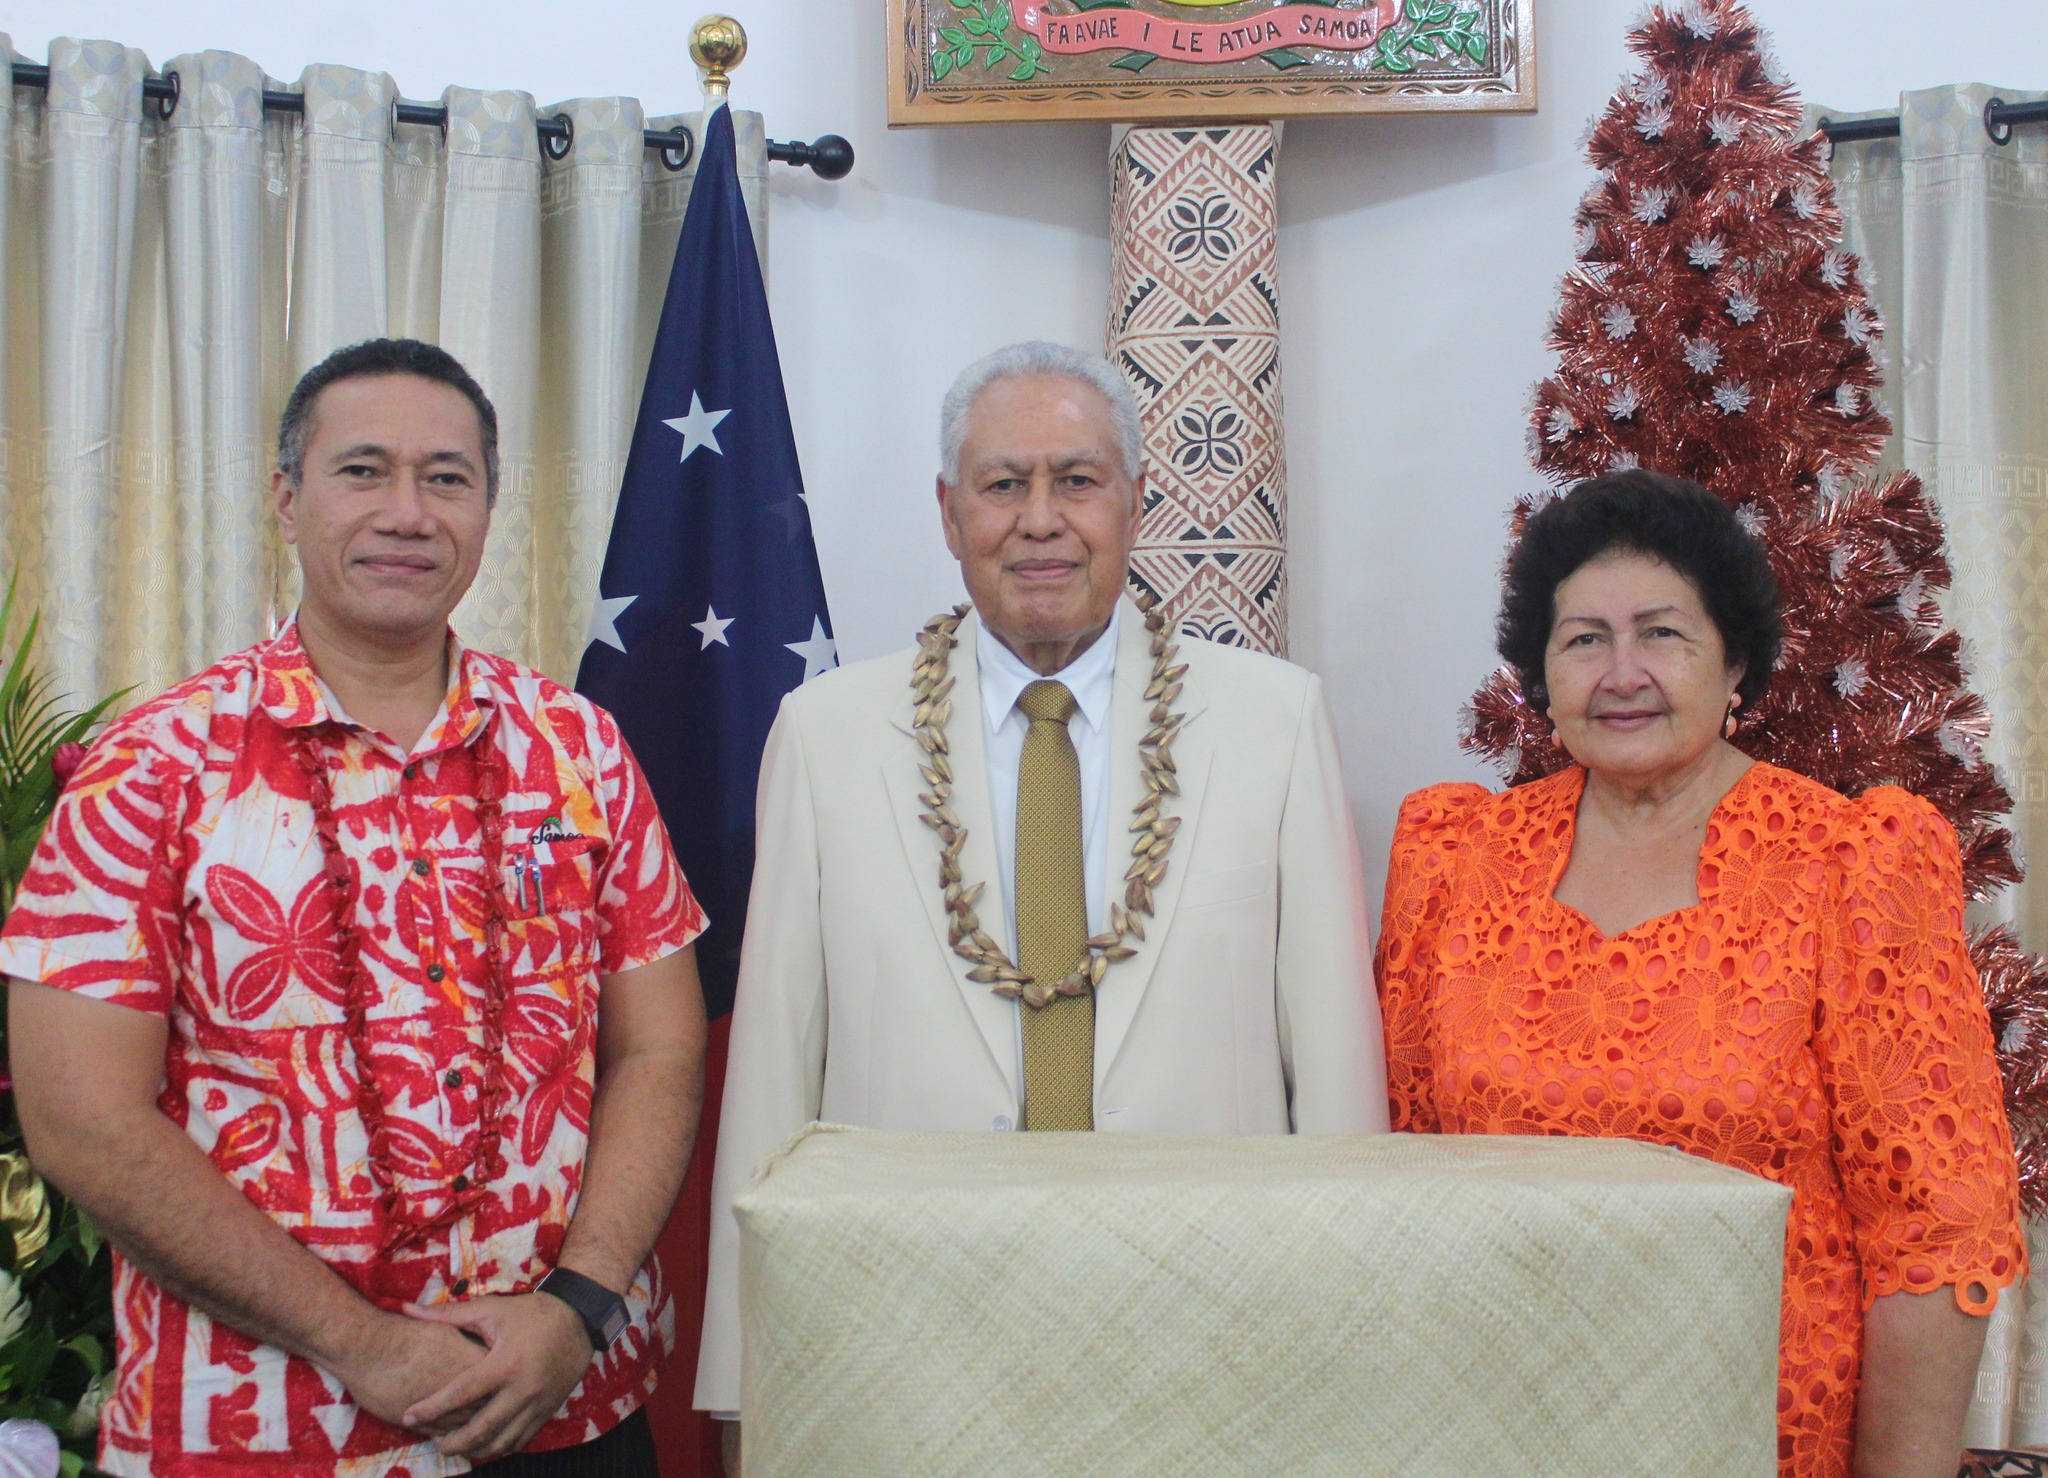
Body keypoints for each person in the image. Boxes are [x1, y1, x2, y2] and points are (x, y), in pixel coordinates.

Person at [2, 338, 709, 1477]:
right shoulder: (155, 765)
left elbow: (661, 1044)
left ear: (486, 508)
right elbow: (81, 1113)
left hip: (558, 1405)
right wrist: (358, 1343)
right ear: (286, 497)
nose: (407, 511)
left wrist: (575, 1305)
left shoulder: (577, 749)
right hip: (260, 1425)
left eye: (446, 477)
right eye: (362, 469)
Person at [696, 341, 1388, 1460]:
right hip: (903, 1346)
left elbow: (1335, 1072)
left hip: (1213, 1340)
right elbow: (773, 1072)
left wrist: (1352, 1346)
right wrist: (741, 1381)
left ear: (1133, 498)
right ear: (946, 509)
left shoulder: (1273, 720)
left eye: (1075, 479)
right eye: (1001, 483)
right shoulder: (826, 733)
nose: (1039, 518)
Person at [1376, 469, 2025, 1478]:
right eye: (1582, 638)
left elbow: (1931, 1231)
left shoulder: (1850, 861)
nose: (1619, 670)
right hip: (1485, 1429)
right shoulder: (1455, 855)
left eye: (1661, 633)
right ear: (1540, 676)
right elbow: (1397, 1172)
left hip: (1759, 1438)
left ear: (1736, 666)